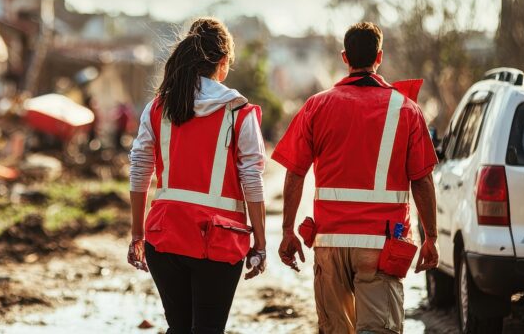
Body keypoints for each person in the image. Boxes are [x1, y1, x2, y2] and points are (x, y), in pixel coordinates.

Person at [272, 22, 439, 334]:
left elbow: (295, 173)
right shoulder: (406, 109)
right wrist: (431, 236)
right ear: (380, 56)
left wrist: (287, 230)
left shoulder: (316, 106)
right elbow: (422, 180)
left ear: (344, 57)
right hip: (381, 244)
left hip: (330, 242)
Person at [126, 18, 268, 334]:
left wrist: (138, 234)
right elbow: (252, 179)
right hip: (218, 240)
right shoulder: (238, 111)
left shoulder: (158, 107)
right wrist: (260, 242)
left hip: (165, 234)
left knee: (179, 328)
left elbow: (139, 170)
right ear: (222, 62)